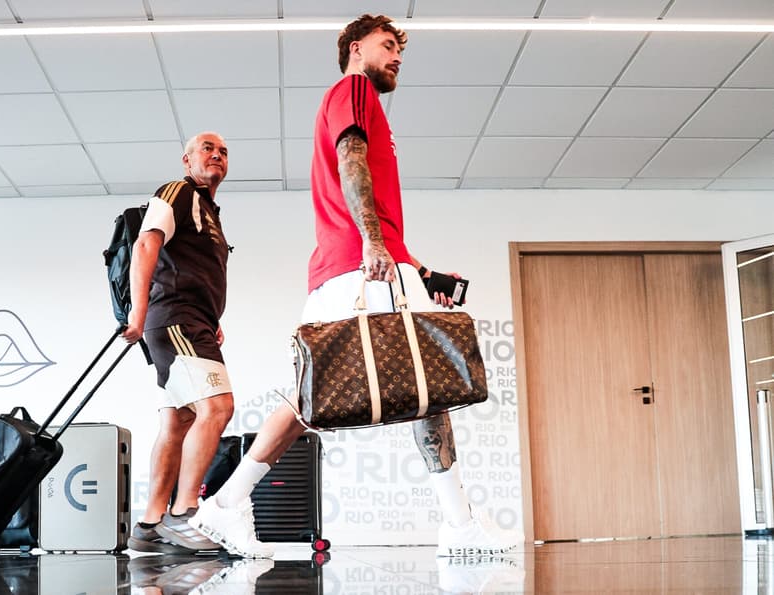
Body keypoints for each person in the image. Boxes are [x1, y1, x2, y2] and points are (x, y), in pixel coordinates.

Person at [189, 14, 524, 558]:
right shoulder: (353, 90)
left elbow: (377, 207)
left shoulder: (363, 99)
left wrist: (421, 272)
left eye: (399, 50)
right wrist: (373, 243)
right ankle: (459, 525)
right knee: (419, 388)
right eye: (387, 45)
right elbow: (351, 158)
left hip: (359, 263)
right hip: (357, 264)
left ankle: (227, 504)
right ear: (354, 47)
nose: (396, 56)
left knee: (320, 394)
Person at [122, 131, 234, 554]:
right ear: (187, 161)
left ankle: (149, 525)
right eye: (207, 148)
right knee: (218, 407)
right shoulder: (177, 190)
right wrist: (138, 311)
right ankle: (185, 514)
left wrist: (212, 318)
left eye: (223, 151)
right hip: (176, 320)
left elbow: (193, 268)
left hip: (193, 321)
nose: (217, 155)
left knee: (179, 420)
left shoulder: (210, 212)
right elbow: (146, 243)